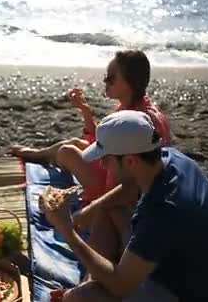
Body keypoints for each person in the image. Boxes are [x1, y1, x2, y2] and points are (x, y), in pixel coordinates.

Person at [42, 110, 208, 302]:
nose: (103, 164)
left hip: (187, 293)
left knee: (79, 298)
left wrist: (66, 229)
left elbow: (120, 285)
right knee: (107, 207)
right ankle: (92, 279)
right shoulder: (168, 158)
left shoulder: (162, 210)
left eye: (106, 158)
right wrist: (86, 213)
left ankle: (89, 286)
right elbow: (130, 188)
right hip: (183, 261)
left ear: (130, 160)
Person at [12, 50, 171, 206]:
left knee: (68, 152)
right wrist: (86, 111)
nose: (105, 82)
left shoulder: (143, 120)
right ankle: (37, 154)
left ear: (130, 82)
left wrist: (96, 205)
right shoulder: (132, 109)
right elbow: (104, 144)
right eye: (105, 77)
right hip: (115, 170)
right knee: (74, 143)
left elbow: (129, 181)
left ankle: (42, 157)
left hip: (118, 189)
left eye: (110, 78)